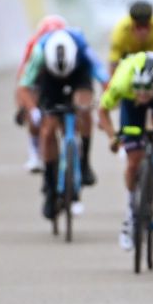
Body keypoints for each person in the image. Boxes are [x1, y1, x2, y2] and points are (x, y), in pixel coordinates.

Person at [16, 28, 108, 219]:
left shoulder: (82, 48)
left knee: (83, 108)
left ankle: (84, 163)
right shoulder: (40, 52)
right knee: (48, 130)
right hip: (49, 81)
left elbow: (105, 80)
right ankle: (50, 186)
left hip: (79, 76)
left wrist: (102, 108)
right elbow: (24, 86)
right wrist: (33, 110)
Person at [97, 51, 153, 250]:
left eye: (146, 92)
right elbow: (102, 110)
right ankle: (130, 215)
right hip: (129, 103)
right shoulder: (123, 84)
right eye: (139, 91)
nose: (142, 96)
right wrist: (113, 137)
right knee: (133, 160)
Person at [14, 14, 67, 173]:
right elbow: (22, 78)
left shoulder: (69, 44)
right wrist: (25, 107)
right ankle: (34, 153)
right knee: (34, 113)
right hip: (39, 77)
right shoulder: (34, 45)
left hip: (62, 75)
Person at [108, 0, 153, 75]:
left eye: (146, 26)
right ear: (132, 25)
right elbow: (114, 62)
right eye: (138, 27)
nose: (142, 32)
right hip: (129, 63)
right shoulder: (120, 31)